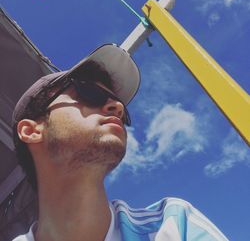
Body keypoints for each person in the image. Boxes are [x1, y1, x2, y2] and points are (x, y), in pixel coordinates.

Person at [12, 44, 228, 241]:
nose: (117, 107)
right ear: (31, 131)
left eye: (120, 105)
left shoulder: (174, 225)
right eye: (89, 91)